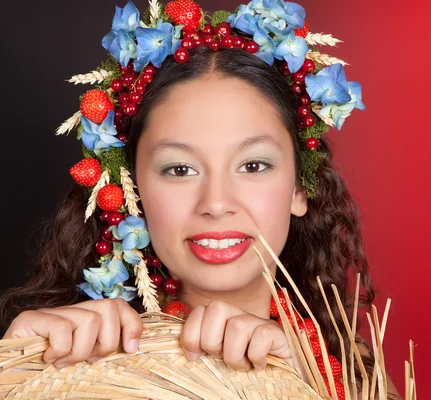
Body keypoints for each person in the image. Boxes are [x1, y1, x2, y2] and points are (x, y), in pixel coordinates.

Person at [0, 0, 399, 398]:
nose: (216, 202)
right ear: (131, 191)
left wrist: (298, 385)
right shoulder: (76, 368)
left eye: (254, 165)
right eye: (180, 169)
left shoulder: (351, 370)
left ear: (299, 188)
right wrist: (17, 373)